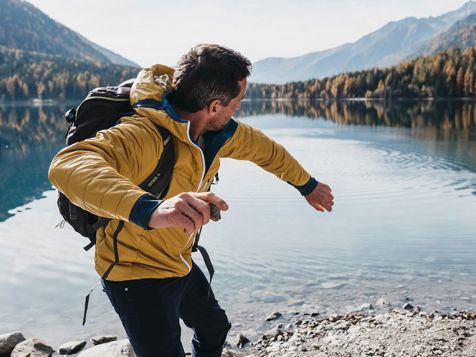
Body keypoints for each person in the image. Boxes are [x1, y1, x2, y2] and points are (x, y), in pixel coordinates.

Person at [48, 44, 334, 357]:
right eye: (236, 104)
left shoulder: (218, 134)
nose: (237, 109)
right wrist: (151, 209)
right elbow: (69, 165)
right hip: (135, 275)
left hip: (177, 259)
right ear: (214, 106)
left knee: (214, 328)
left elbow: (266, 151)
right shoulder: (144, 135)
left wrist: (307, 185)